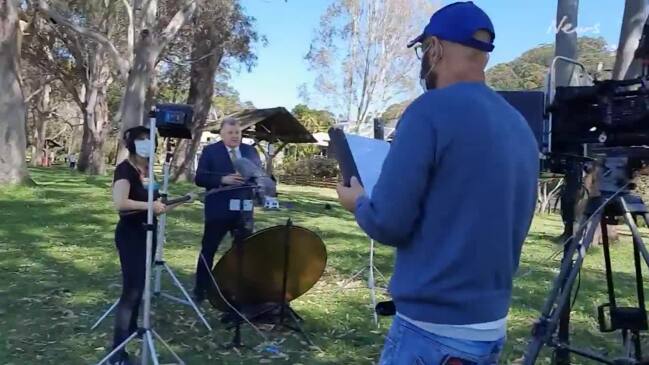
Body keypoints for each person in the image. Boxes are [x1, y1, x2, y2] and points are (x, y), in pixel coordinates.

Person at [336, 2, 539, 364]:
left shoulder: (428, 111)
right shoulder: (519, 124)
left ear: (436, 47)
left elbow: (388, 222)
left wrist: (358, 202)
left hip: (431, 332)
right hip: (489, 326)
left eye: (422, 51)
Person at [109, 125, 180, 365]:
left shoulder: (149, 170)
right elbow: (120, 203)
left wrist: (173, 203)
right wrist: (149, 207)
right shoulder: (124, 170)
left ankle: (130, 332)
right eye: (141, 140)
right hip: (130, 234)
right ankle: (117, 353)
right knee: (131, 291)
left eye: (150, 140)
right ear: (131, 144)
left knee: (140, 287)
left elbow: (155, 202)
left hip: (148, 232)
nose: (146, 144)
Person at [192, 117, 262, 302]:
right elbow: (200, 178)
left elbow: (259, 176)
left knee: (243, 251)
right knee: (209, 249)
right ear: (221, 134)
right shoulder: (210, 151)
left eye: (237, 132)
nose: (234, 136)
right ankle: (201, 289)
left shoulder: (250, 152)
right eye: (230, 133)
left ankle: (238, 290)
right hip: (218, 210)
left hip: (244, 210)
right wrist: (223, 180)